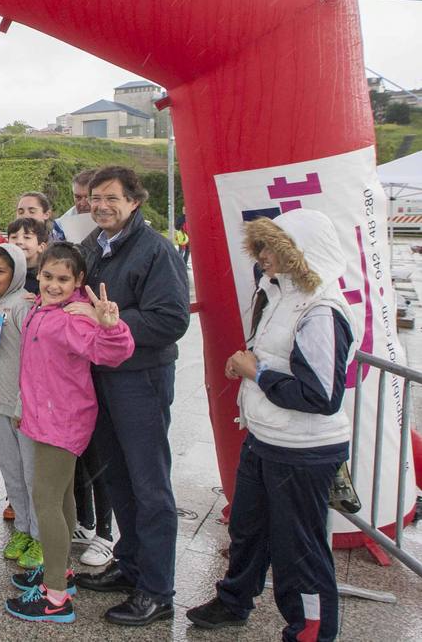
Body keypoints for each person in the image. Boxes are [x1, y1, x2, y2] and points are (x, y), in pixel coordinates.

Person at [186, 210, 355, 641]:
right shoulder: (275, 291)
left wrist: (256, 373)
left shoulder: (322, 310)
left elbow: (320, 395)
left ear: (300, 253)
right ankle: (234, 599)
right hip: (266, 437)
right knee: (247, 528)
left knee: (300, 551)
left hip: (303, 449)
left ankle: (310, 631)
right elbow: (269, 355)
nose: (263, 257)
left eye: (273, 248)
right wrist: (248, 368)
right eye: (260, 248)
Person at [75, 166, 190, 627]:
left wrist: (114, 325)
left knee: (150, 484)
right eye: (95, 198)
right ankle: (130, 564)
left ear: (134, 201)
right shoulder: (92, 247)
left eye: (111, 199)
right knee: (118, 476)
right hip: (100, 377)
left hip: (140, 379)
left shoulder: (156, 250)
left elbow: (171, 319)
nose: (101, 206)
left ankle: (158, 590)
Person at [5, 243, 134, 624]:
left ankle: (55, 597)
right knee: (60, 497)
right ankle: (61, 572)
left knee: (45, 500)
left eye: (64, 279)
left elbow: (112, 352)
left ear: (79, 281)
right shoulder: (42, 309)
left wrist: (111, 325)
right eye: (48, 276)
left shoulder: (76, 317)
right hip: (44, 415)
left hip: (62, 420)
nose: (54, 285)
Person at [0, 242, 41, 568]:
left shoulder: (23, 307)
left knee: (32, 475)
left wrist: (21, 403)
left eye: (0, 271)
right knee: (12, 472)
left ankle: (40, 536)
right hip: (0, 402)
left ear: (17, 272)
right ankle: (21, 528)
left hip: (23, 408)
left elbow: (33, 362)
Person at [6, 217, 49, 295]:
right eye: (14, 237)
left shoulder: (46, 276)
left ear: (41, 247)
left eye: (27, 237)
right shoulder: (5, 273)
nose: (19, 242)